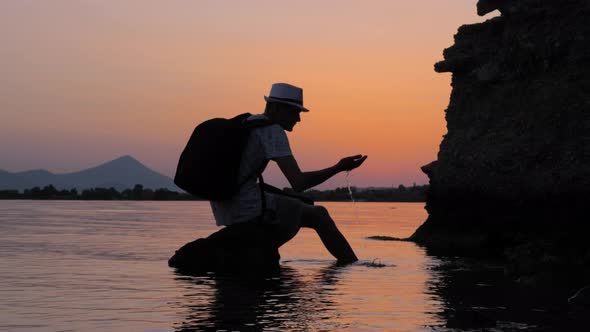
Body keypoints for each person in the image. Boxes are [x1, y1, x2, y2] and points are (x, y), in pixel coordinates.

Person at [210, 82, 367, 264]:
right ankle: (352, 264)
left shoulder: (249, 123)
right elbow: (299, 183)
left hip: (224, 207)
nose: (298, 119)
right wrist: (338, 168)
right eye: (295, 112)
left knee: (301, 203)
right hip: (246, 207)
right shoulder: (272, 130)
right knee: (319, 215)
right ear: (276, 108)